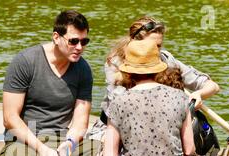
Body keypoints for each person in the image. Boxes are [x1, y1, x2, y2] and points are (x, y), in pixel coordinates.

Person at [61, 39, 195, 156]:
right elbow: (190, 149)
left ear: (128, 71)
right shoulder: (180, 97)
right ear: (159, 69)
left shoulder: (119, 102)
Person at [0, 10, 99, 156]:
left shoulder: (83, 69)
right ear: (56, 37)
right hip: (25, 141)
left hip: (63, 140)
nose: (79, 47)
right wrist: (42, 149)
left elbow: (80, 122)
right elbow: (10, 119)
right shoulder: (25, 62)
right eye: (73, 41)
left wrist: (69, 144)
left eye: (84, 41)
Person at [87, 16, 220, 142]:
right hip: (117, 130)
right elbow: (121, 107)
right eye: (151, 46)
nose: (156, 52)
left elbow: (212, 86)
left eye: (159, 46)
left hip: (160, 132)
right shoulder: (115, 63)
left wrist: (198, 94)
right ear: (135, 43)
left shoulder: (166, 59)